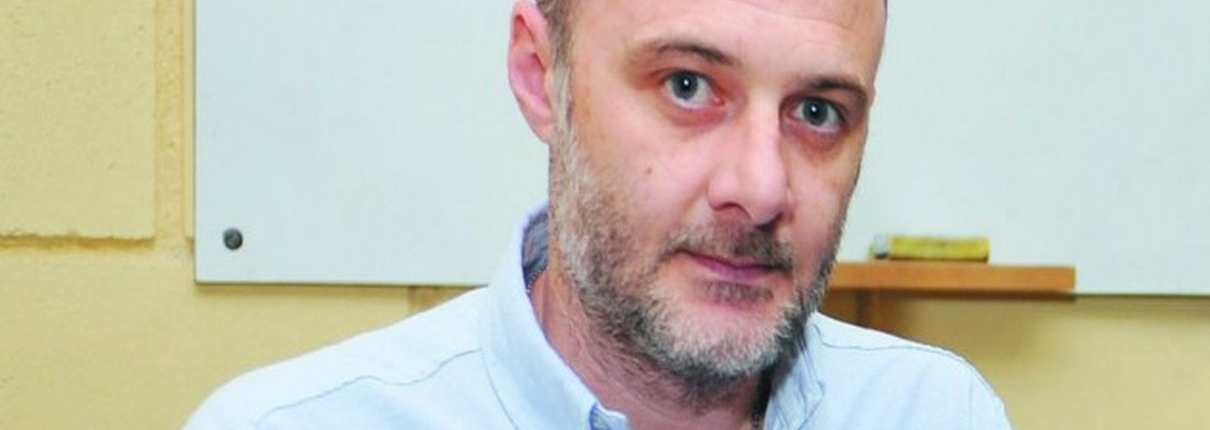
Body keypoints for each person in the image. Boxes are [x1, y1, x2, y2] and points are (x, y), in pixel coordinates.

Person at [184, 0, 1011, 428]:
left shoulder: (934, 415)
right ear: (541, 76)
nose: (761, 189)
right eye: (688, 85)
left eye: (818, 112)